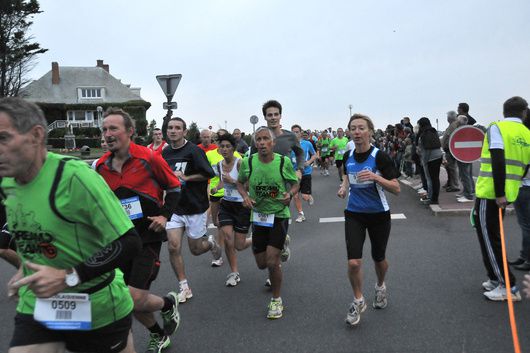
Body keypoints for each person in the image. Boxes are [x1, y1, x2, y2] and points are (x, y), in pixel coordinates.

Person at [0, 97, 141, 353]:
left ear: (36, 135)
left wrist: (69, 276)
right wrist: (27, 265)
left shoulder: (76, 177)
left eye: (3, 138)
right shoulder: (7, 182)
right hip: (39, 301)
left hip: (96, 302)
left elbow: (129, 242)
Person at [96, 108, 182, 352]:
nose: (108, 134)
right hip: (119, 240)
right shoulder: (100, 166)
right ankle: (161, 324)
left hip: (148, 237)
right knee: (127, 298)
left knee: (131, 297)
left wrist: (165, 217)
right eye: (104, 129)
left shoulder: (149, 158)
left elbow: (174, 188)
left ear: (130, 131)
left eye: (113, 128)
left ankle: (164, 308)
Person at [337, 113, 400, 326]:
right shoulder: (348, 156)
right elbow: (347, 174)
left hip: (378, 214)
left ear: (370, 132)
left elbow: (397, 188)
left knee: (378, 257)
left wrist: (375, 177)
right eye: (353, 128)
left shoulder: (380, 157)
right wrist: (344, 186)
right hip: (354, 213)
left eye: (361, 128)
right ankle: (358, 300)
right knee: (354, 262)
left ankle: (380, 286)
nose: (356, 132)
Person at [237, 127, 299, 319]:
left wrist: (289, 194)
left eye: (266, 139)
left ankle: (276, 300)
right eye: (259, 139)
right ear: (255, 144)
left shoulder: (283, 162)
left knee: (272, 262)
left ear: (273, 143)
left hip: (279, 215)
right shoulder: (248, 162)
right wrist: (245, 196)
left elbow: (295, 183)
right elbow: (240, 183)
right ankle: (283, 245)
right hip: (258, 217)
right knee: (261, 264)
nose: (262, 143)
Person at [473, 96, 530, 301]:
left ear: (505, 111)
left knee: (489, 237)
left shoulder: (496, 127)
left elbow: (497, 159)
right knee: (492, 236)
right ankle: (496, 278)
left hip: (490, 192)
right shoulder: (526, 133)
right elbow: (526, 168)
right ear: (524, 112)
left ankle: (507, 285)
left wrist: (499, 193)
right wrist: (509, 190)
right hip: (509, 192)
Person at [162, 117, 221, 304]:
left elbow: (208, 174)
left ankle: (210, 243)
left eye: (177, 128)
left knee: (196, 249)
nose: (173, 131)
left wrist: (186, 177)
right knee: (173, 246)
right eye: (170, 128)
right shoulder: (165, 153)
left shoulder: (194, 151)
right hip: (174, 207)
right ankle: (184, 286)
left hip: (195, 207)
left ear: (184, 132)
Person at [211, 134, 252, 286]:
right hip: (227, 204)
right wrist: (217, 187)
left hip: (242, 206)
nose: (224, 149)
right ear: (219, 149)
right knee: (228, 239)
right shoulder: (220, 164)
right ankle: (234, 273)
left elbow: (248, 186)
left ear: (233, 149)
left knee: (239, 245)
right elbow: (223, 180)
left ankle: (254, 239)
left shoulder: (240, 163)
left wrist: (233, 181)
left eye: (228, 146)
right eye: (222, 146)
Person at [508, 116, 530, 271]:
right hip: (522, 185)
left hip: (524, 185)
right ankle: (524, 256)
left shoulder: (523, 138)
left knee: (526, 225)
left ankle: (527, 259)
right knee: (524, 225)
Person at [290, 125, 317, 223]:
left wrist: (309, 162)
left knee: (304, 197)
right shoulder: (288, 145)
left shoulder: (307, 143)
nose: (295, 134)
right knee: (295, 195)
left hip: (306, 172)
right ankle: (301, 214)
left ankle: (308, 196)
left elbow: (314, 155)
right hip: (293, 173)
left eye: (297, 132)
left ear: (301, 133)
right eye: (293, 132)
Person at [417, 117, 443, 205]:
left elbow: (425, 150)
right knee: (436, 179)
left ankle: (432, 198)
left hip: (430, 159)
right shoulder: (433, 131)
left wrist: (424, 161)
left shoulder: (423, 135)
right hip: (438, 157)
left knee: (430, 179)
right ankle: (435, 198)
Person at [455, 114, 476, 203]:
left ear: (459, 122)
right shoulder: (469, 130)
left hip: (463, 156)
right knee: (468, 174)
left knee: (465, 175)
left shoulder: (461, 131)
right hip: (468, 155)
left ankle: (468, 195)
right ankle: (469, 191)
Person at [440, 111, 460, 192]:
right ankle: (450, 183)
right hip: (448, 149)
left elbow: (452, 137)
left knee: (452, 168)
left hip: (451, 150)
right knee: (449, 167)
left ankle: (455, 185)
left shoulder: (454, 125)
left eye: (447, 117)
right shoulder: (452, 125)